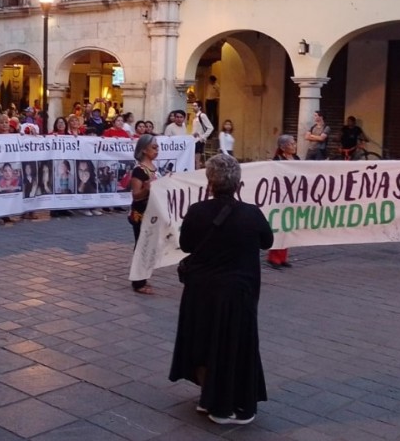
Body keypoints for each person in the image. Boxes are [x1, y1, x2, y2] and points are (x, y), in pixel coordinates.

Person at [169, 153, 273, 424]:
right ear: (238, 184)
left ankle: (212, 398)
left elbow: (187, 245)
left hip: (203, 290)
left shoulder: (197, 211)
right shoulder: (251, 213)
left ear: (210, 183)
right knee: (238, 344)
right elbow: (267, 241)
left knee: (205, 342)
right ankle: (238, 404)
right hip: (240, 291)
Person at [128, 135, 159, 294]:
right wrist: (147, 189)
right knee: (141, 246)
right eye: (153, 147)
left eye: (157, 147)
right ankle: (138, 282)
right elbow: (136, 195)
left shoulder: (154, 167)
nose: (157, 150)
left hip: (151, 213)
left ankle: (143, 278)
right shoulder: (139, 170)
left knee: (148, 246)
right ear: (144, 150)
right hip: (140, 214)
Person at [268, 134, 299, 269]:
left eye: (294, 143)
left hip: (294, 197)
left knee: (287, 227)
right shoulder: (277, 160)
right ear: (283, 147)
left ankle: (283, 257)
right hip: (280, 197)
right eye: (291, 144)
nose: (294, 146)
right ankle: (273, 258)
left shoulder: (297, 159)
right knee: (279, 227)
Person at [191, 102, 214, 169]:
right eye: (193, 106)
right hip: (194, 140)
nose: (193, 107)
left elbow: (210, 128)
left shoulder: (202, 115)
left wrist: (202, 137)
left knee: (197, 160)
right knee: (194, 160)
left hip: (199, 141)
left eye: (195, 106)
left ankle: (196, 174)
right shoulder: (195, 117)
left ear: (199, 107)